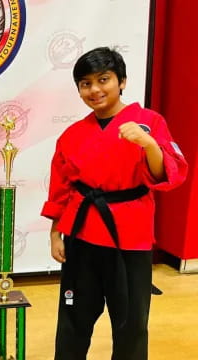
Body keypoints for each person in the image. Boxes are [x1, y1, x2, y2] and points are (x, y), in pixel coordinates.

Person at [41, 47, 188, 360]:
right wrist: (56, 233)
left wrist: (148, 144)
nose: (94, 90)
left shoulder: (149, 122)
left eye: (103, 80)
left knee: (131, 322)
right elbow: (62, 188)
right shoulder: (73, 134)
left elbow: (167, 174)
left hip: (129, 237)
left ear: (122, 81)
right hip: (81, 234)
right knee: (72, 319)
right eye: (85, 83)